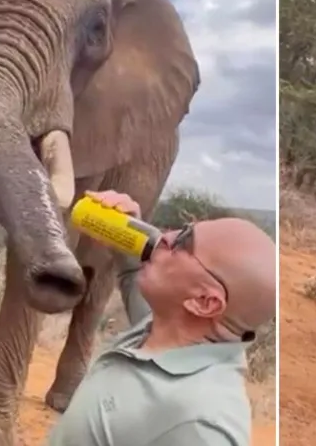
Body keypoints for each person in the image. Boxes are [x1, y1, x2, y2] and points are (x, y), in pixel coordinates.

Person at [45, 190, 277, 446]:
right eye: (184, 228)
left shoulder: (203, 424)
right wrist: (127, 229)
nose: (165, 236)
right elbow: (133, 271)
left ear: (204, 302)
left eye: (184, 243)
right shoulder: (164, 330)